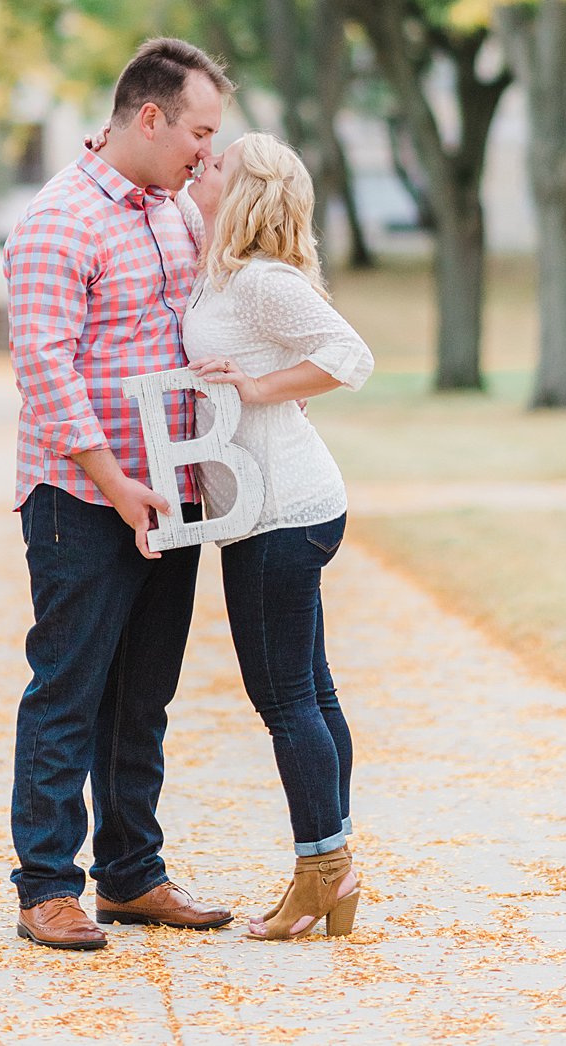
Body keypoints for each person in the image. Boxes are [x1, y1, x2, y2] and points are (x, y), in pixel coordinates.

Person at [4, 37, 235, 951]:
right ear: (149, 117)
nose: (207, 156)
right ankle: (47, 886)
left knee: (144, 699)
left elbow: (184, 322)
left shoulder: (174, 213)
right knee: (68, 691)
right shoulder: (61, 221)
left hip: (168, 494)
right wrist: (116, 482)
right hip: (81, 499)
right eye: (200, 134)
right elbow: (45, 374)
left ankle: (132, 876)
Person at [185, 132, 372, 941]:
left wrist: (261, 386)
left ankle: (321, 869)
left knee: (286, 697)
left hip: (280, 513)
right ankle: (334, 862)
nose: (202, 166)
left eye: (216, 162)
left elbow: (350, 354)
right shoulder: (226, 273)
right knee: (313, 690)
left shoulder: (262, 282)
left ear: (247, 189)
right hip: (271, 508)